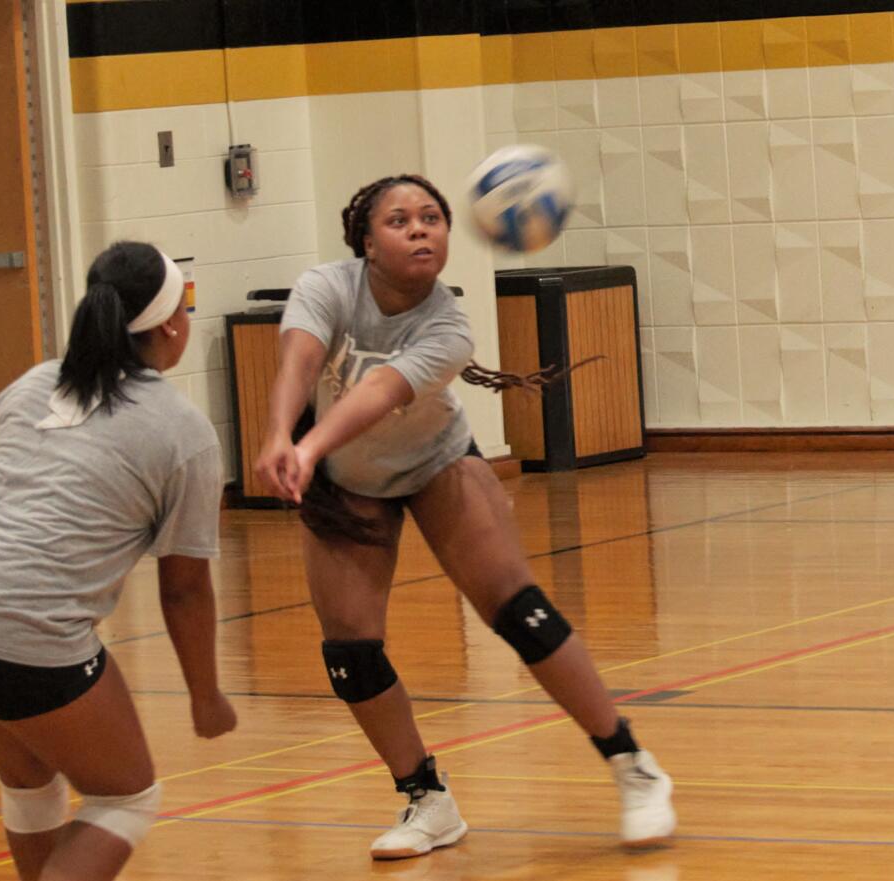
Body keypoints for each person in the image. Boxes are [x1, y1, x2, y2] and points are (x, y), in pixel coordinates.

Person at [254, 174, 675, 860]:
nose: (420, 228)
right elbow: (298, 358)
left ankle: (635, 767)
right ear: (367, 240)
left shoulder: (448, 325)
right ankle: (428, 798)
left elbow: (379, 392)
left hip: (438, 464)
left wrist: (305, 444)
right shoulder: (327, 285)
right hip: (349, 481)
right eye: (400, 219)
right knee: (349, 655)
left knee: (521, 613)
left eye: (431, 217)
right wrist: (279, 431)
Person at [0, 241, 237, 881]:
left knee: (29, 774)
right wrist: (205, 695)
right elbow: (184, 590)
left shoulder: (33, 382)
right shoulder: (183, 432)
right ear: (170, 324)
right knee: (126, 796)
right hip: (19, 629)